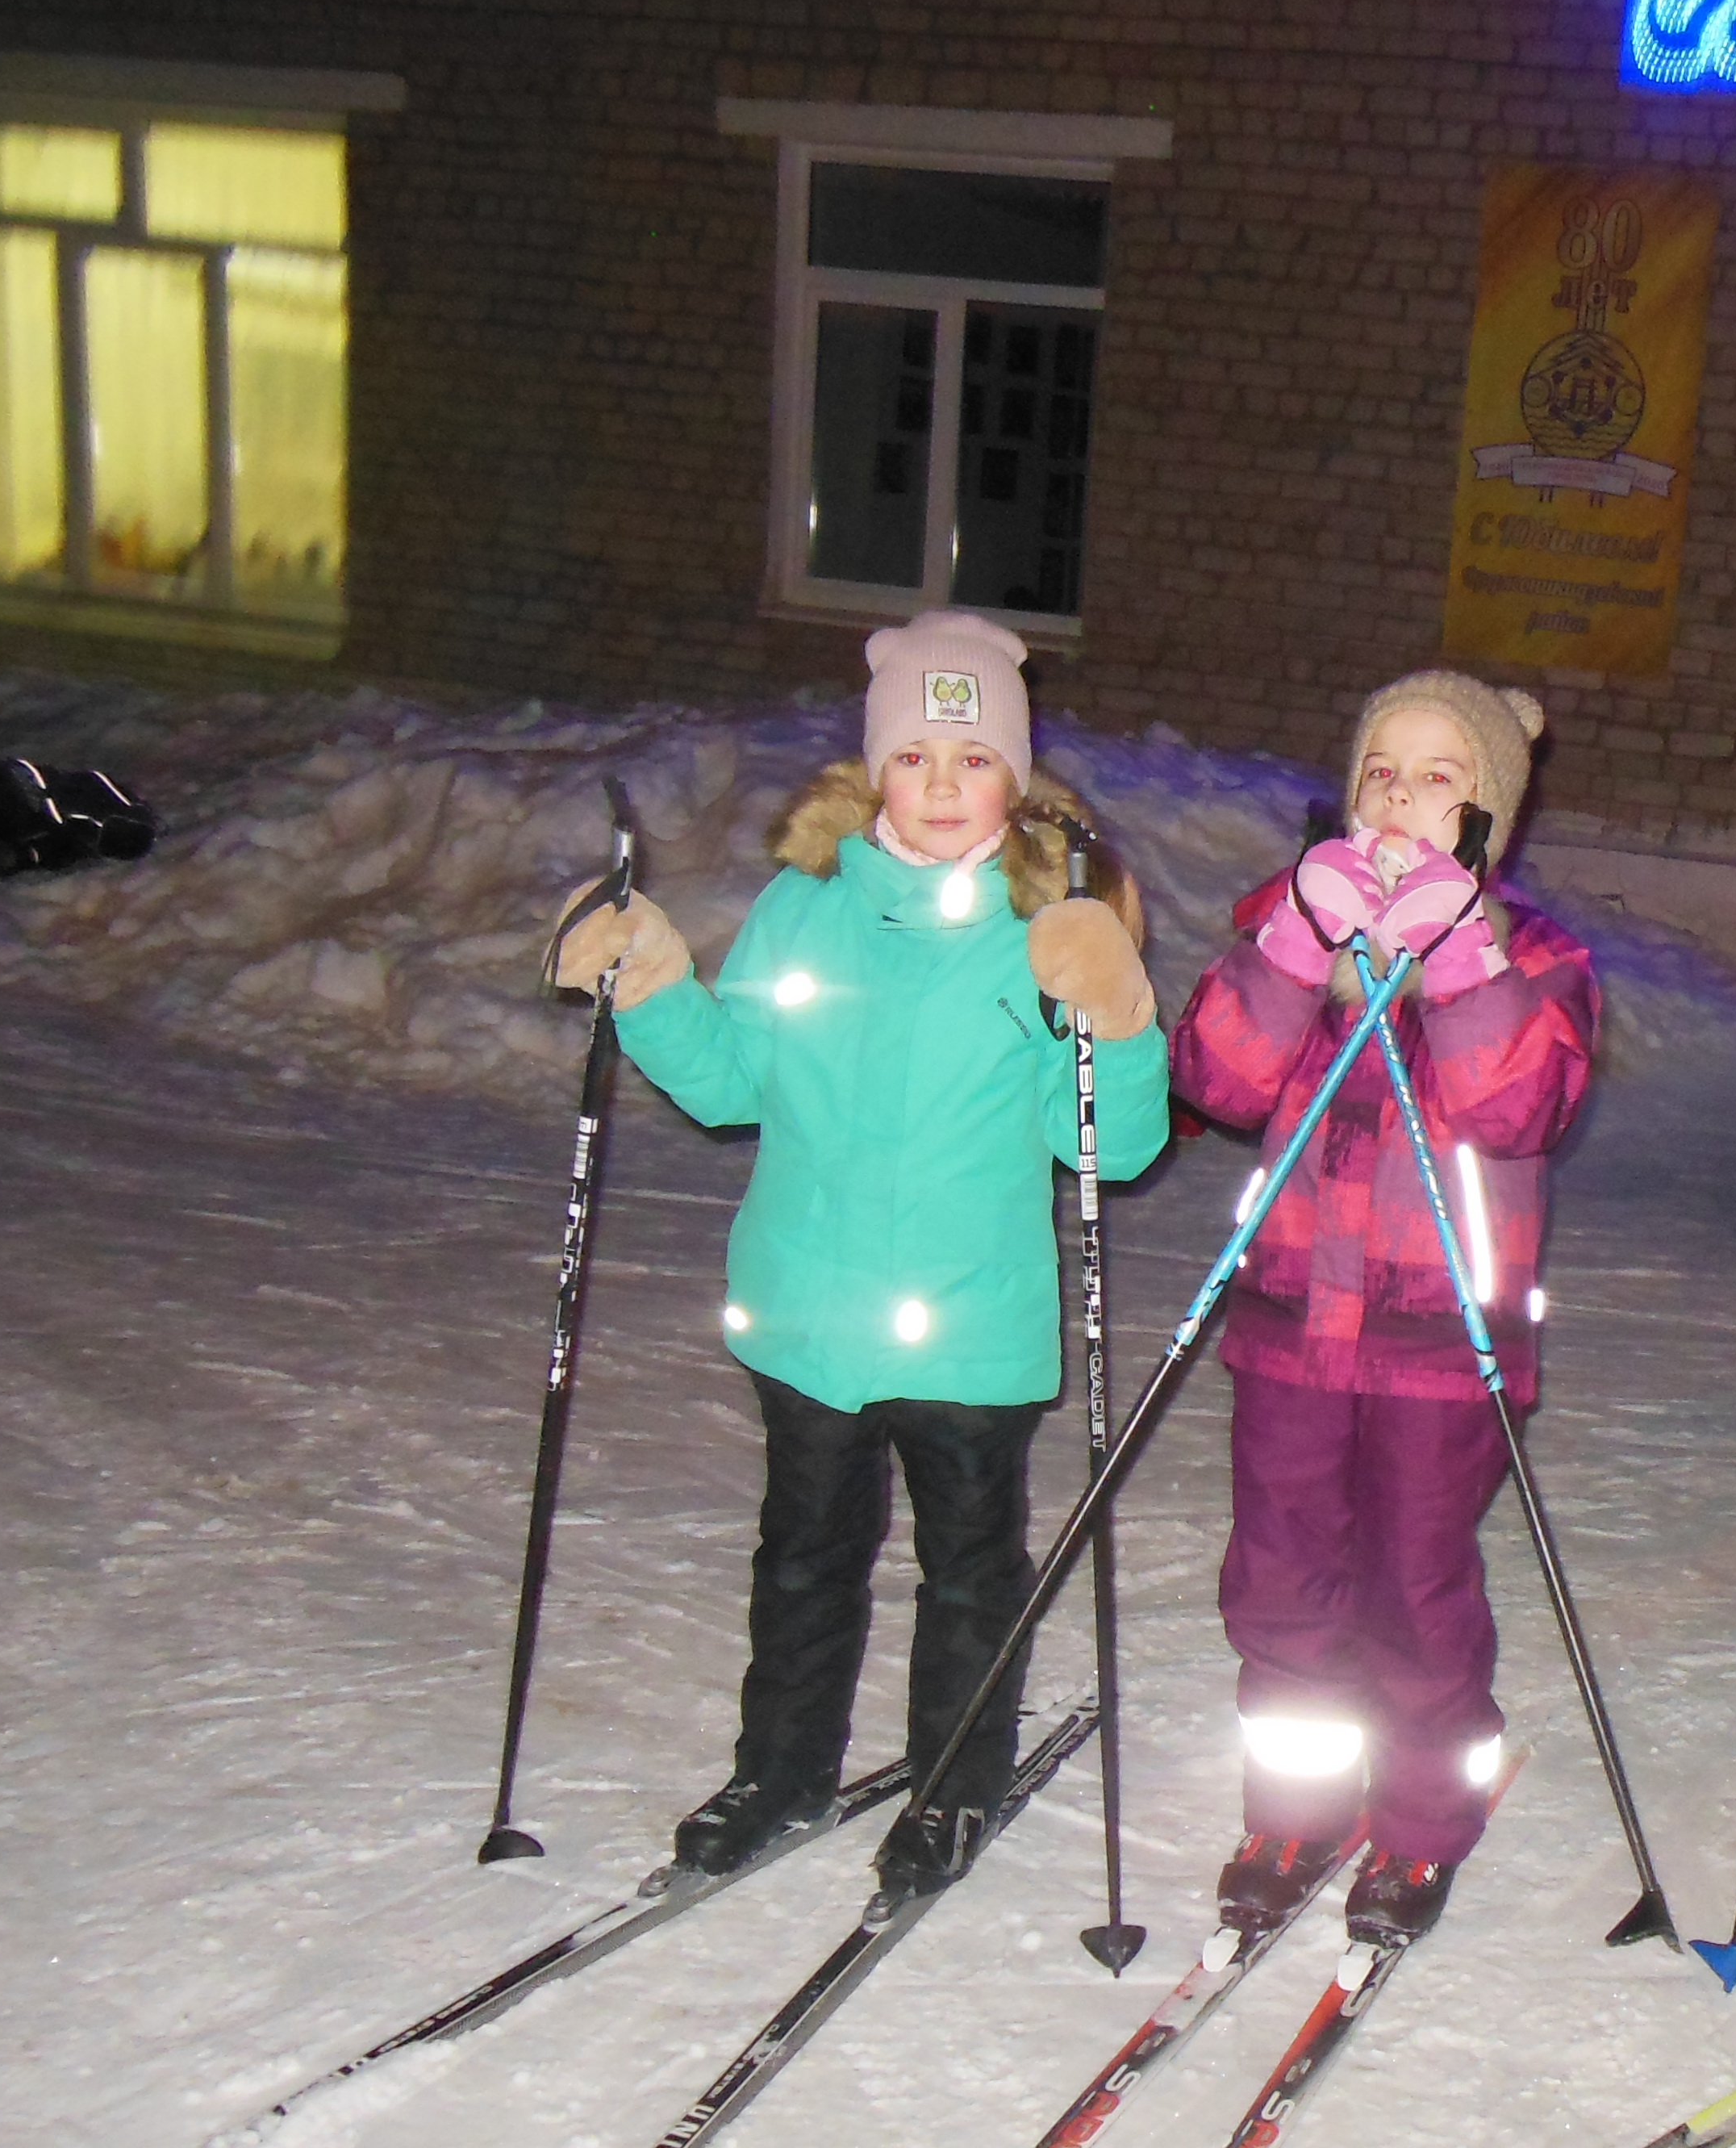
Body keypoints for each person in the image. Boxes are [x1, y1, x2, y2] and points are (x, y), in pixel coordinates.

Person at [546, 612, 1166, 1899]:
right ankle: (780, 1769)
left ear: (1017, 774)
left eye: (975, 757)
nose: (944, 787)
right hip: (807, 1312)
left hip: (971, 1328)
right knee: (803, 1557)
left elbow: (1111, 1146)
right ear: (875, 771)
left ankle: (953, 1784)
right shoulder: (801, 910)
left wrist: (1118, 1010)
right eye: (918, 757)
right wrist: (652, 984)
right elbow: (729, 1086)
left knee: (966, 1577)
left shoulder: (1047, 924)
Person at [1169, 670, 1600, 1948]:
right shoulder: (1286, 926)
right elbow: (1214, 1078)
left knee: (1415, 1593)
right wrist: (1297, 944)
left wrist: (1460, 956)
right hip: (1293, 1327)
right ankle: (1296, 1807)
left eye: (1440, 776)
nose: (1403, 798)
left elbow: (1524, 1105)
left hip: (1439, 1347)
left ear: (1490, 821)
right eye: (1381, 771)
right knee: (1284, 1584)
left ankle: (1419, 1823)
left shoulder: (1535, 958)